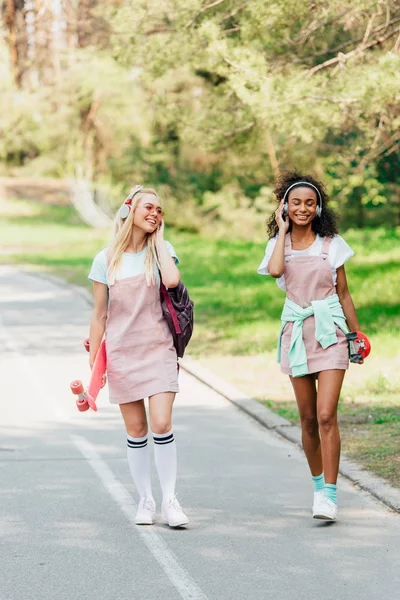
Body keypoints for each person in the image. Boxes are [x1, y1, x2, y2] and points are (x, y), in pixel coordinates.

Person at [258, 172, 362, 521]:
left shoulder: (332, 244)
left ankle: (330, 496)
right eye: (296, 202)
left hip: (330, 332)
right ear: (284, 206)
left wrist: (356, 335)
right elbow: (275, 273)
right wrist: (282, 231)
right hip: (296, 335)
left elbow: (344, 294)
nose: (303, 208)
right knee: (306, 419)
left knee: (325, 415)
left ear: (318, 208)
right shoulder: (279, 247)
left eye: (310, 202)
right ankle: (319, 487)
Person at [88, 185, 189, 527]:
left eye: (160, 210)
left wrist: (159, 241)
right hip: (122, 354)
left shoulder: (162, 250)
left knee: (161, 423)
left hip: (159, 348)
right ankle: (146, 500)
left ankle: (170, 500)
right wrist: (94, 366)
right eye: (149, 207)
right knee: (136, 430)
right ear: (129, 209)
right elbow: (99, 314)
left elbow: (173, 281)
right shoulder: (105, 259)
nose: (155, 214)